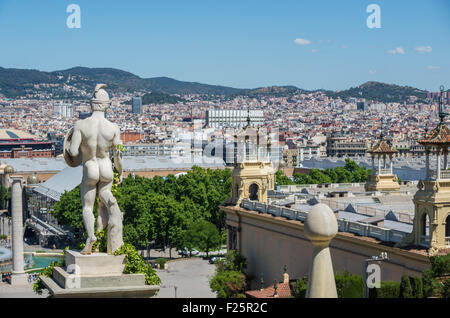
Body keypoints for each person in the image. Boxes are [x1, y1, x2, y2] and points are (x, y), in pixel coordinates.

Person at [65, 84, 124, 255]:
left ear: (91, 104)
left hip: (90, 168)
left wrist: (70, 149)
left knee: (87, 207)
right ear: (107, 105)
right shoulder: (113, 128)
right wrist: (120, 172)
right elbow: (118, 157)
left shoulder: (81, 125)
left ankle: (91, 236)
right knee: (105, 198)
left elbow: (73, 151)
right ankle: (110, 201)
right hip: (106, 168)